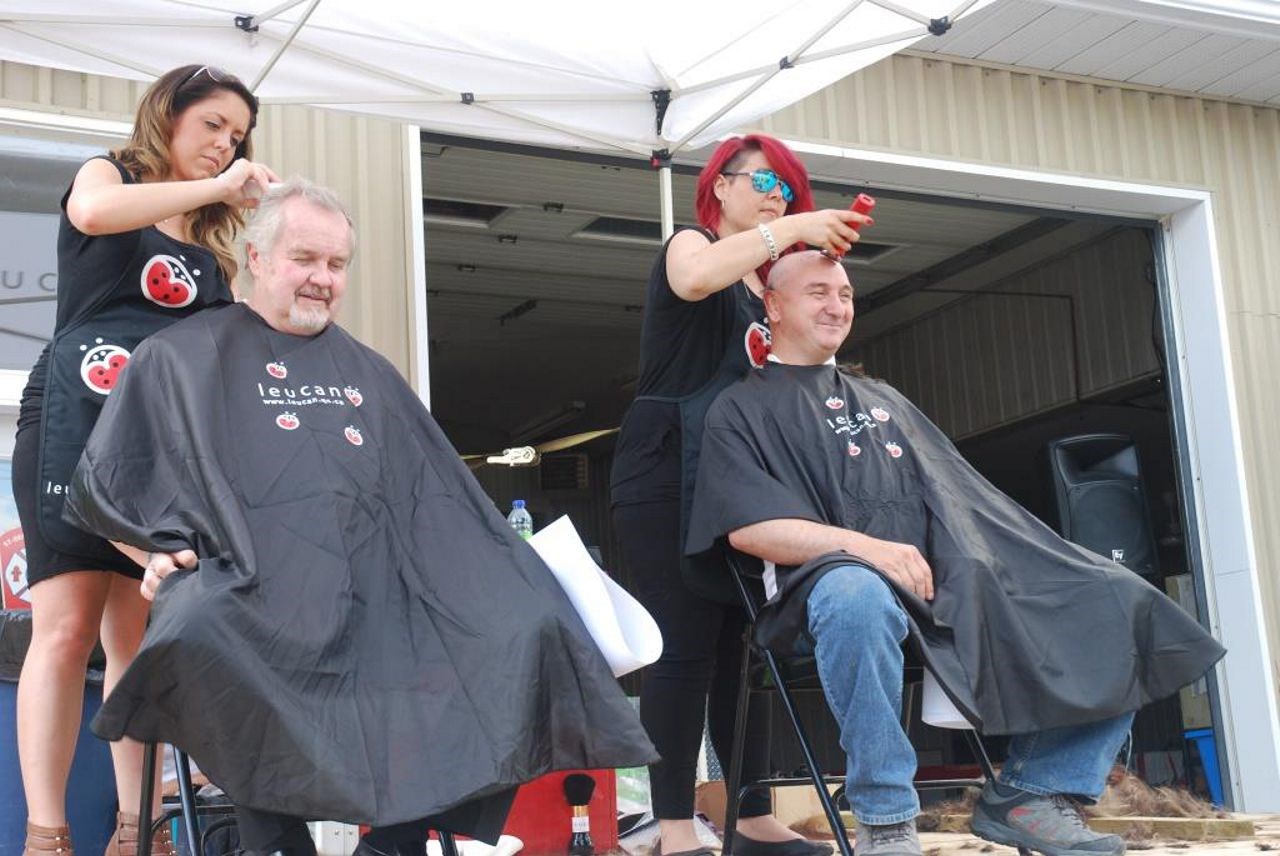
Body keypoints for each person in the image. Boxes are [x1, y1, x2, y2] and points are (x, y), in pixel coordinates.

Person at [64, 179, 657, 856]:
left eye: (336, 265)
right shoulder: (182, 358)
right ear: (259, 258)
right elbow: (111, 484)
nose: (322, 279)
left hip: (379, 594)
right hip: (252, 592)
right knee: (199, 627)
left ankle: (396, 842)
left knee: (531, 625)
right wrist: (155, 558)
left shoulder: (368, 371)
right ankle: (277, 840)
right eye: (305, 259)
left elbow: (438, 499)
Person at [686, 251, 1226, 856]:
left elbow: (960, 504)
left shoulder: (883, 399)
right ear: (775, 305)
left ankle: (1032, 792)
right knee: (854, 590)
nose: (836, 306)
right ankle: (886, 818)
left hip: (940, 590)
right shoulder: (740, 410)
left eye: (845, 294)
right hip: (820, 604)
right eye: (818, 292)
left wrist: (1004, 566)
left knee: (1115, 595)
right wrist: (868, 549)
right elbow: (751, 529)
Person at [10, 63, 277, 856]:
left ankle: (138, 826)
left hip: (151, 452)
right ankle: (46, 832)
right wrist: (217, 185)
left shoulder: (211, 252)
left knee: (136, 634)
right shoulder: (110, 177)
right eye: (213, 126)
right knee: (62, 632)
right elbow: (92, 212)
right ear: (169, 116)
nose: (226, 145)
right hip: (68, 422)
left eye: (238, 136)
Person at [609, 134, 871, 856]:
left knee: (743, 649)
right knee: (683, 648)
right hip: (667, 471)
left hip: (734, 480)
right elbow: (694, 281)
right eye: (761, 182)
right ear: (718, 187)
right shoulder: (691, 246)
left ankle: (747, 812)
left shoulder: (766, 288)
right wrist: (786, 229)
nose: (773, 195)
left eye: (785, 189)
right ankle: (671, 826)